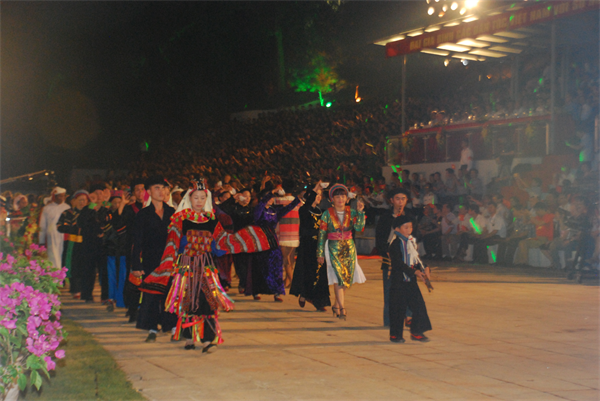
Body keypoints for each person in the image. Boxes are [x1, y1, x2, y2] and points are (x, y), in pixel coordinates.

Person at [144, 180, 234, 352]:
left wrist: (227, 245)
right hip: (187, 266)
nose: (199, 201)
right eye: (196, 197)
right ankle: (189, 338)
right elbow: (173, 244)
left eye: (202, 198)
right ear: (189, 199)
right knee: (188, 301)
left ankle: (208, 340)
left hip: (207, 266)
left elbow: (219, 247)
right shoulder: (180, 220)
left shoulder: (212, 221)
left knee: (208, 301)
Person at [133, 176, 177, 342]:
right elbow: (137, 241)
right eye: (156, 188)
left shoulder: (173, 213)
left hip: (169, 261)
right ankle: (152, 328)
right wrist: (136, 265)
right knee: (151, 295)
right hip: (151, 260)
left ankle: (172, 327)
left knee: (170, 294)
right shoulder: (143, 215)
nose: (161, 191)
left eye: (163, 188)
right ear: (149, 192)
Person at [316, 184, 366, 321]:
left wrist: (361, 212)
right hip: (333, 247)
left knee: (346, 277)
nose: (340, 199)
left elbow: (359, 228)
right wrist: (320, 253)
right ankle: (342, 308)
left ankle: (336, 304)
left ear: (347, 198)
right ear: (332, 199)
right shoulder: (327, 214)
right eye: (337, 196)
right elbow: (322, 234)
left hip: (349, 247)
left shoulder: (352, 212)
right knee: (339, 276)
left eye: (343, 196)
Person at [247, 186, 301, 301]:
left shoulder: (274, 210)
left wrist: (298, 199)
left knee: (276, 266)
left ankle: (277, 292)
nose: (271, 199)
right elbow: (260, 206)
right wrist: (271, 192)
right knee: (259, 266)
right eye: (269, 197)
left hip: (272, 240)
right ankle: (256, 291)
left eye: (272, 197)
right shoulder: (258, 209)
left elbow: (288, 208)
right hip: (260, 241)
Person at [388, 215, 432, 343]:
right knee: (398, 308)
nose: (409, 230)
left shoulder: (411, 242)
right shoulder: (395, 243)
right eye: (405, 227)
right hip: (398, 281)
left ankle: (416, 332)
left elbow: (416, 259)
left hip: (410, 280)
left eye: (411, 227)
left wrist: (425, 268)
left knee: (419, 306)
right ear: (397, 228)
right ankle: (395, 335)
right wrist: (414, 272)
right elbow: (398, 264)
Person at [290, 181, 331, 312]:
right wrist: (316, 188)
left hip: (320, 245)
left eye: (320, 195)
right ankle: (305, 293)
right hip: (308, 245)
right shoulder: (304, 210)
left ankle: (318, 300)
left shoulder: (322, 212)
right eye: (316, 195)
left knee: (320, 272)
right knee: (308, 271)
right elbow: (308, 204)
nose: (319, 197)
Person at [375, 187, 411, 327]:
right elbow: (380, 239)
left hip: (406, 258)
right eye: (397, 199)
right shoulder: (385, 218)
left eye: (403, 199)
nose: (400, 202)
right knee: (390, 290)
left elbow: (416, 235)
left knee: (408, 288)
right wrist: (387, 251)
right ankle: (389, 320)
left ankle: (408, 315)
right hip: (390, 259)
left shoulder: (410, 217)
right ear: (391, 201)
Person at [39, 187, 70, 270]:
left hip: (64, 236)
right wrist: (41, 241)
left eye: (63, 196)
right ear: (54, 197)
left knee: (62, 255)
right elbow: (42, 226)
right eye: (59, 196)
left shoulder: (67, 207)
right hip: (51, 236)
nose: (61, 198)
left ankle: (62, 276)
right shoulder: (47, 208)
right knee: (52, 256)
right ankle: (54, 275)